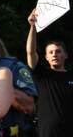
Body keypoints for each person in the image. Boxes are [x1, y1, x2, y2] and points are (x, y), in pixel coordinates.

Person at [26, 9, 73, 137]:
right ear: (46, 57)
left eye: (58, 51)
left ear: (66, 55)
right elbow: (30, 52)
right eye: (51, 52)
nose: (54, 55)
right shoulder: (41, 75)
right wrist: (33, 27)